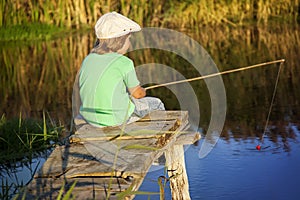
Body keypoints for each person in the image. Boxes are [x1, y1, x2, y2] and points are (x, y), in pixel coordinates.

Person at [74, 12, 164, 127]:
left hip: (90, 118)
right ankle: (158, 136)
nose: (129, 43)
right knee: (157, 104)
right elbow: (137, 94)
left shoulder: (88, 59)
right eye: (128, 39)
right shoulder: (124, 63)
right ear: (119, 41)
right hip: (116, 120)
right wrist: (142, 91)